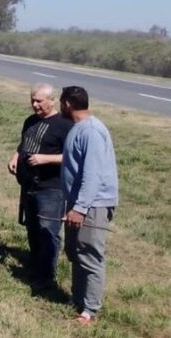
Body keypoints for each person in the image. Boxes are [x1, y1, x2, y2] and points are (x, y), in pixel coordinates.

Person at [59, 85, 119, 326]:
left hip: (92, 204)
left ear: (67, 104)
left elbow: (92, 175)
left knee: (90, 255)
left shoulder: (92, 131)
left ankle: (90, 310)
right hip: (79, 202)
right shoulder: (79, 128)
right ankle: (78, 299)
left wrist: (80, 208)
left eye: (60, 102)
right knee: (75, 252)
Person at [6, 83, 73, 291]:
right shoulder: (30, 121)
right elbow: (24, 144)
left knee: (48, 231)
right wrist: (16, 157)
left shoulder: (65, 125)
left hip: (51, 187)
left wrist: (46, 159)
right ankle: (35, 266)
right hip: (28, 184)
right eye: (32, 100)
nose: (35, 105)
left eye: (39, 101)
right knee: (33, 228)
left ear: (52, 100)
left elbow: (72, 157)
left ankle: (47, 276)